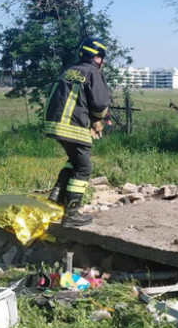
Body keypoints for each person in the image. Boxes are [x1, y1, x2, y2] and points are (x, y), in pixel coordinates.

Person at [44, 38, 112, 227]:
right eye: (101, 57)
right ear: (96, 57)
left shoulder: (69, 70)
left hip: (54, 124)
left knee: (75, 159)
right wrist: (97, 119)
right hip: (73, 126)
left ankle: (57, 194)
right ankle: (72, 214)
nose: (102, 62)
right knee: (84, 168)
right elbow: (99, 103)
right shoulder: (92, 72)